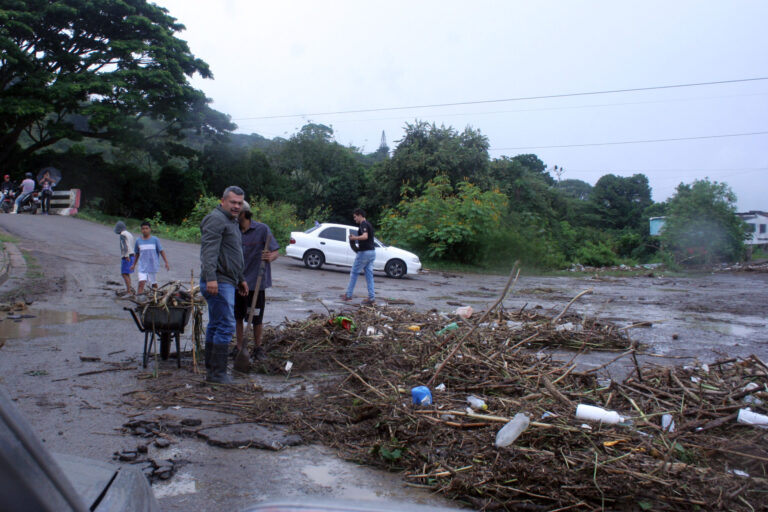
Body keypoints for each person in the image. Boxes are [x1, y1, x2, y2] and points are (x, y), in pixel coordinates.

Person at [200, 186, 248, 384]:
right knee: (226, 325)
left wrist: (240, 278)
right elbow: (209, 251)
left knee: (216, 324)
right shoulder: (216, 219)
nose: (236, 206)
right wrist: (211, 277)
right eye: (233, 202)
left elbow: (231, 253)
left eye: (239, 203)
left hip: (227, 280)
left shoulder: (231, 221)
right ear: (223, 201)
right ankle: (218, 374)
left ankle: (213, 372)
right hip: (217, 281)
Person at [233, 201, 280, 361]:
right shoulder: (233, 230)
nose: (234, 215)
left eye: (237, 213)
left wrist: (270, 256)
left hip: (257, 283)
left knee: (256, 318)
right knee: (238, 316)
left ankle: (258, 348)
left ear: (244, 214)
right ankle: (239, 347)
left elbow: (275, 251)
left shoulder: (262, 229)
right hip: (238, 283)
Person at [341, 208, 376, 305]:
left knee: (354, 273)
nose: (354, 219)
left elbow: (365, 236)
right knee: (369, 276)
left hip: (364, 253)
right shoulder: (369, 224)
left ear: (360, 215)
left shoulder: (363, 224)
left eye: (355, 217)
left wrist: (354, 238)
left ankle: (348, 295)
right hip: (372, 252)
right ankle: (372, 298)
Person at [130, 221, 170, 294]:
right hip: (142, 266)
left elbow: (161, 251)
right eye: (143, 228)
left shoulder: (155, 240)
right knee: (141, 283)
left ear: (150, 229)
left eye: (146, 228)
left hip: (152, 266)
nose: (144, 230)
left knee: (153, 283)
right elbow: (137, 253)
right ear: (141, 230)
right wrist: (133, 264)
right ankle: (139, 299)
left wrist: (166, 262)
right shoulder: (138, 241)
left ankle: (156, 295)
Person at [113, 221, 135, 295]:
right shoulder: (129, 234)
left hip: (127, 256)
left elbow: (124, 245)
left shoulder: (122, 234)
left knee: (124, 274)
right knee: (127, 273)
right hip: (132, 255)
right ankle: (129, 288)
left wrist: (126, 255)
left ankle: (128, 291)